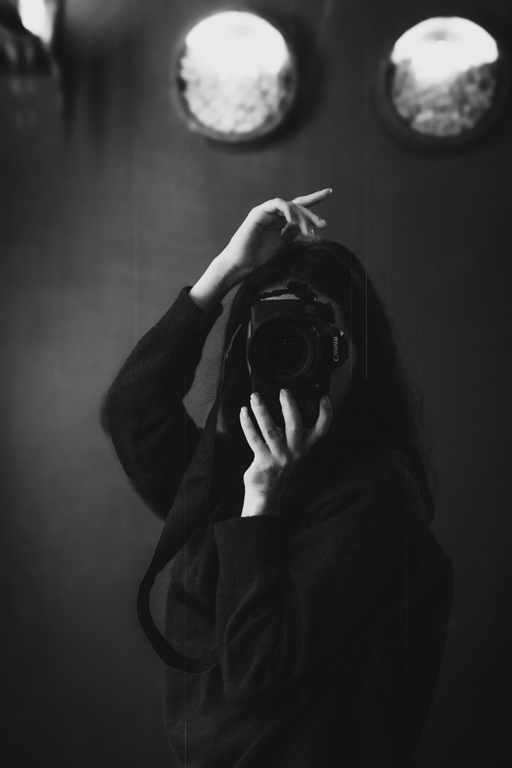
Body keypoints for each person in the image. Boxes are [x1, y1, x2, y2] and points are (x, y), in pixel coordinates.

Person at [106, 189, 454, 768]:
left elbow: (256, 674)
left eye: (320, 339)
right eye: (275, 339)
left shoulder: (373, 498)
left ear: (358, 354)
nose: (295, 359)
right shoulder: (226, 473)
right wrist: (225, 273)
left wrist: (261, 503)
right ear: (243, 354)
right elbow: (132, 414)